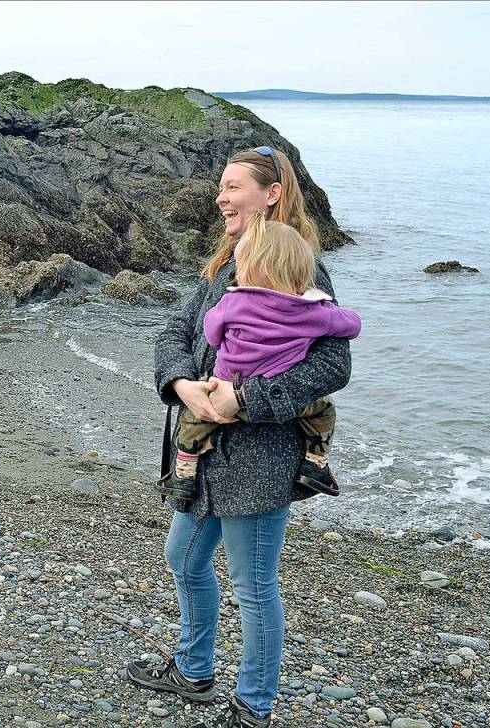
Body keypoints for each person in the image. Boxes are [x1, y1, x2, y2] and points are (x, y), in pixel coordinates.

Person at [126, 147, 354, 728]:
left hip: (259, 458)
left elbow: (333, 368)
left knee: (253, 587)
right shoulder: (228, 261)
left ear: (271, 194)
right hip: (202, 448)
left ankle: (254, 706)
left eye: (233, 187)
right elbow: (177, 328)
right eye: (220, 187)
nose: (220, 198)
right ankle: (195, 670)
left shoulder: (300, 268)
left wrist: (244, 399)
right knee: (183, 556)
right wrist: (180, 383)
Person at [166, 212, 362, 505]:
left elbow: (210, 332)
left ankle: (183, 473)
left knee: (194, 423)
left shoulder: (233, 300)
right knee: (323, 412)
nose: (222, 198)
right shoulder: (313, 311)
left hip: (220, 388)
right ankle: (316, 463)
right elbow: (352, 325)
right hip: (275, 403)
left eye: (233, 186)